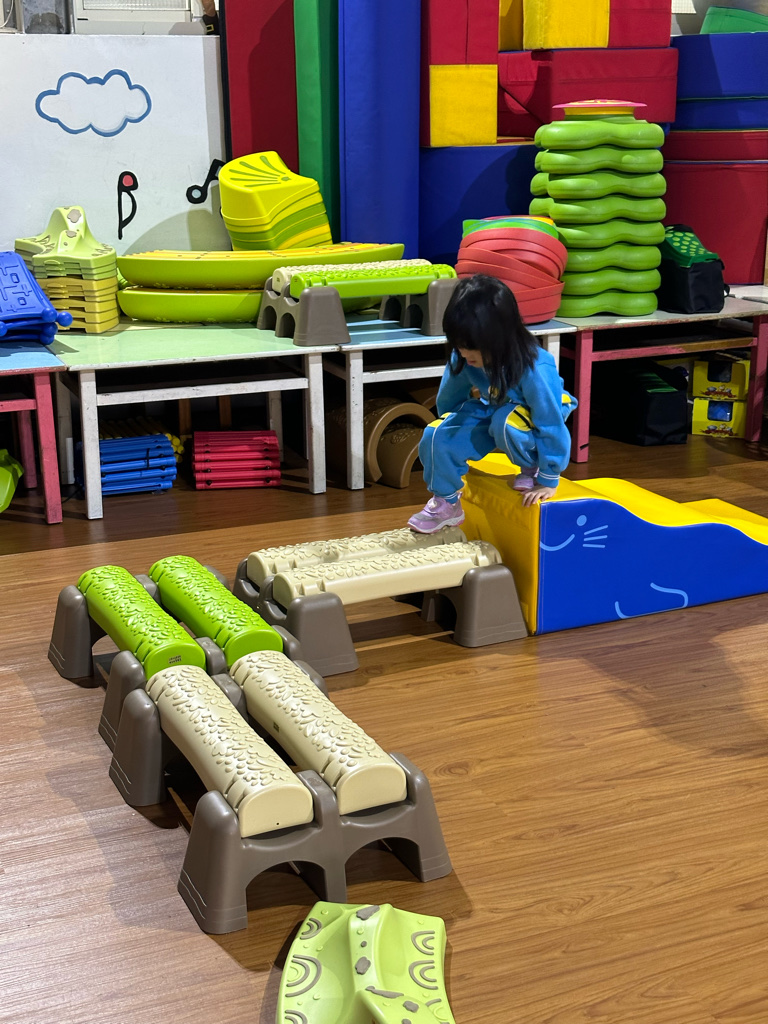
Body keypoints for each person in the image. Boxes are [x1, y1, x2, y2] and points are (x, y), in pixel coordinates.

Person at [408, 274, 577, 534]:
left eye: (471, 346)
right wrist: (453, 440)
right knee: (436, 433)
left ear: (499, 338)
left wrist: (548, 478)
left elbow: (550, 421)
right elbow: (449, 402)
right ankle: (447, 504)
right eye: (458, 344)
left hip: (537, 416)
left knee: (505, 421)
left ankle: (530, 466)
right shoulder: (463, 357)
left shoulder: (535, 366)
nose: (464, 352)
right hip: (495, 406)